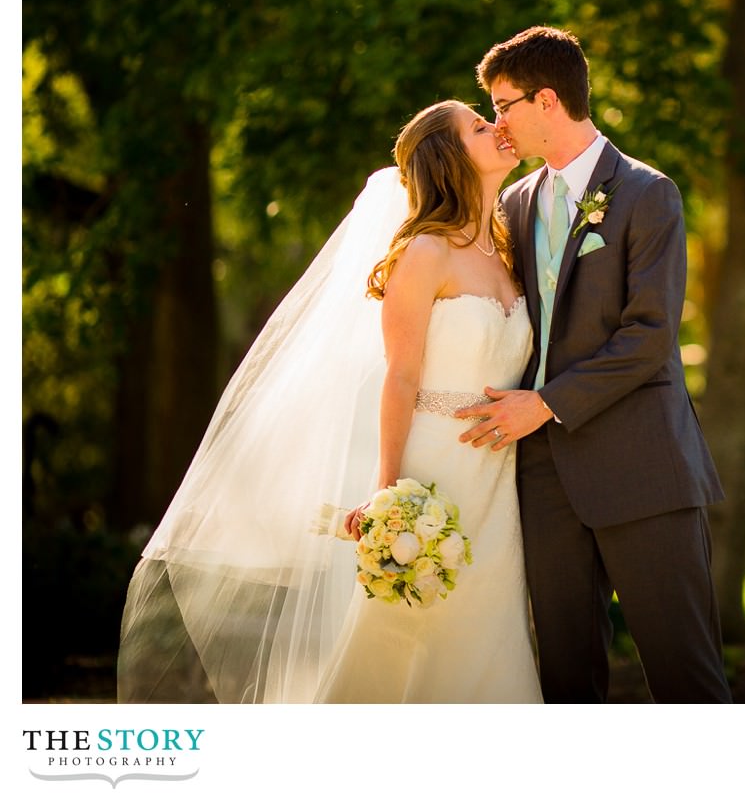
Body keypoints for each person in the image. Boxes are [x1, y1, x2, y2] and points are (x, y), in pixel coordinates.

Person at [117, 101, 542, 703]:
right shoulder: (425, 253)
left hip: (500, 477)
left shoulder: (509, 248)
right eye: (479, 125)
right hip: (433, 476)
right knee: (404, 633)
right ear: (450, 158)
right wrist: (389, 494)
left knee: (491, 632)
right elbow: (400, 377)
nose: (497, 127)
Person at [457, 25, 732, 703]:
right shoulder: (514, 206)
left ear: (546, 101)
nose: (498, 124)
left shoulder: (647, 194)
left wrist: (545, 403)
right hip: (542, 473)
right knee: (565, 680)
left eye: (503, 105)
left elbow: (649, 335)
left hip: (643, 466)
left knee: (685, 674)